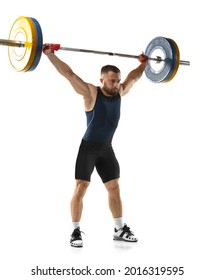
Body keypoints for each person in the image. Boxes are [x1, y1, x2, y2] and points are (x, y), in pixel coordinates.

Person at [43, 43, 148, 248]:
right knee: (81, 187)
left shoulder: (120, 92)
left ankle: (119, 229)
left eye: (117, 80)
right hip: (89, 148)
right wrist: (50, 55)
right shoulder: (91, 93)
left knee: (114, 187)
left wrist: (143, 64)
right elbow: (70, 75)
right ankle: (75, 231)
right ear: (102, 80)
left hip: (106, 148)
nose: (116, 84)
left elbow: (133, 77)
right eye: (112, 81)